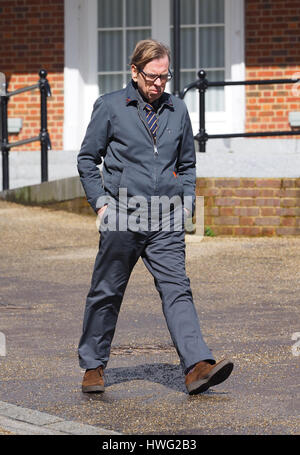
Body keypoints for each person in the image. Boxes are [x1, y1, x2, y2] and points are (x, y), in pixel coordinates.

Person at [77, 39, 233, 395]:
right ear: (134, 72)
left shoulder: (178, 110)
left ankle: (197, 366)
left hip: (165, 218)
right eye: (152, 76)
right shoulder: (110, 107)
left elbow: (187, 164)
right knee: (107, 291)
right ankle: (93, 366)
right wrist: (101, 204)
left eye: (165, 77)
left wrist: (187, 205)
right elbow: (88, 159)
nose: (158, 84)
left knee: (178, 290)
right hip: (122, 215)